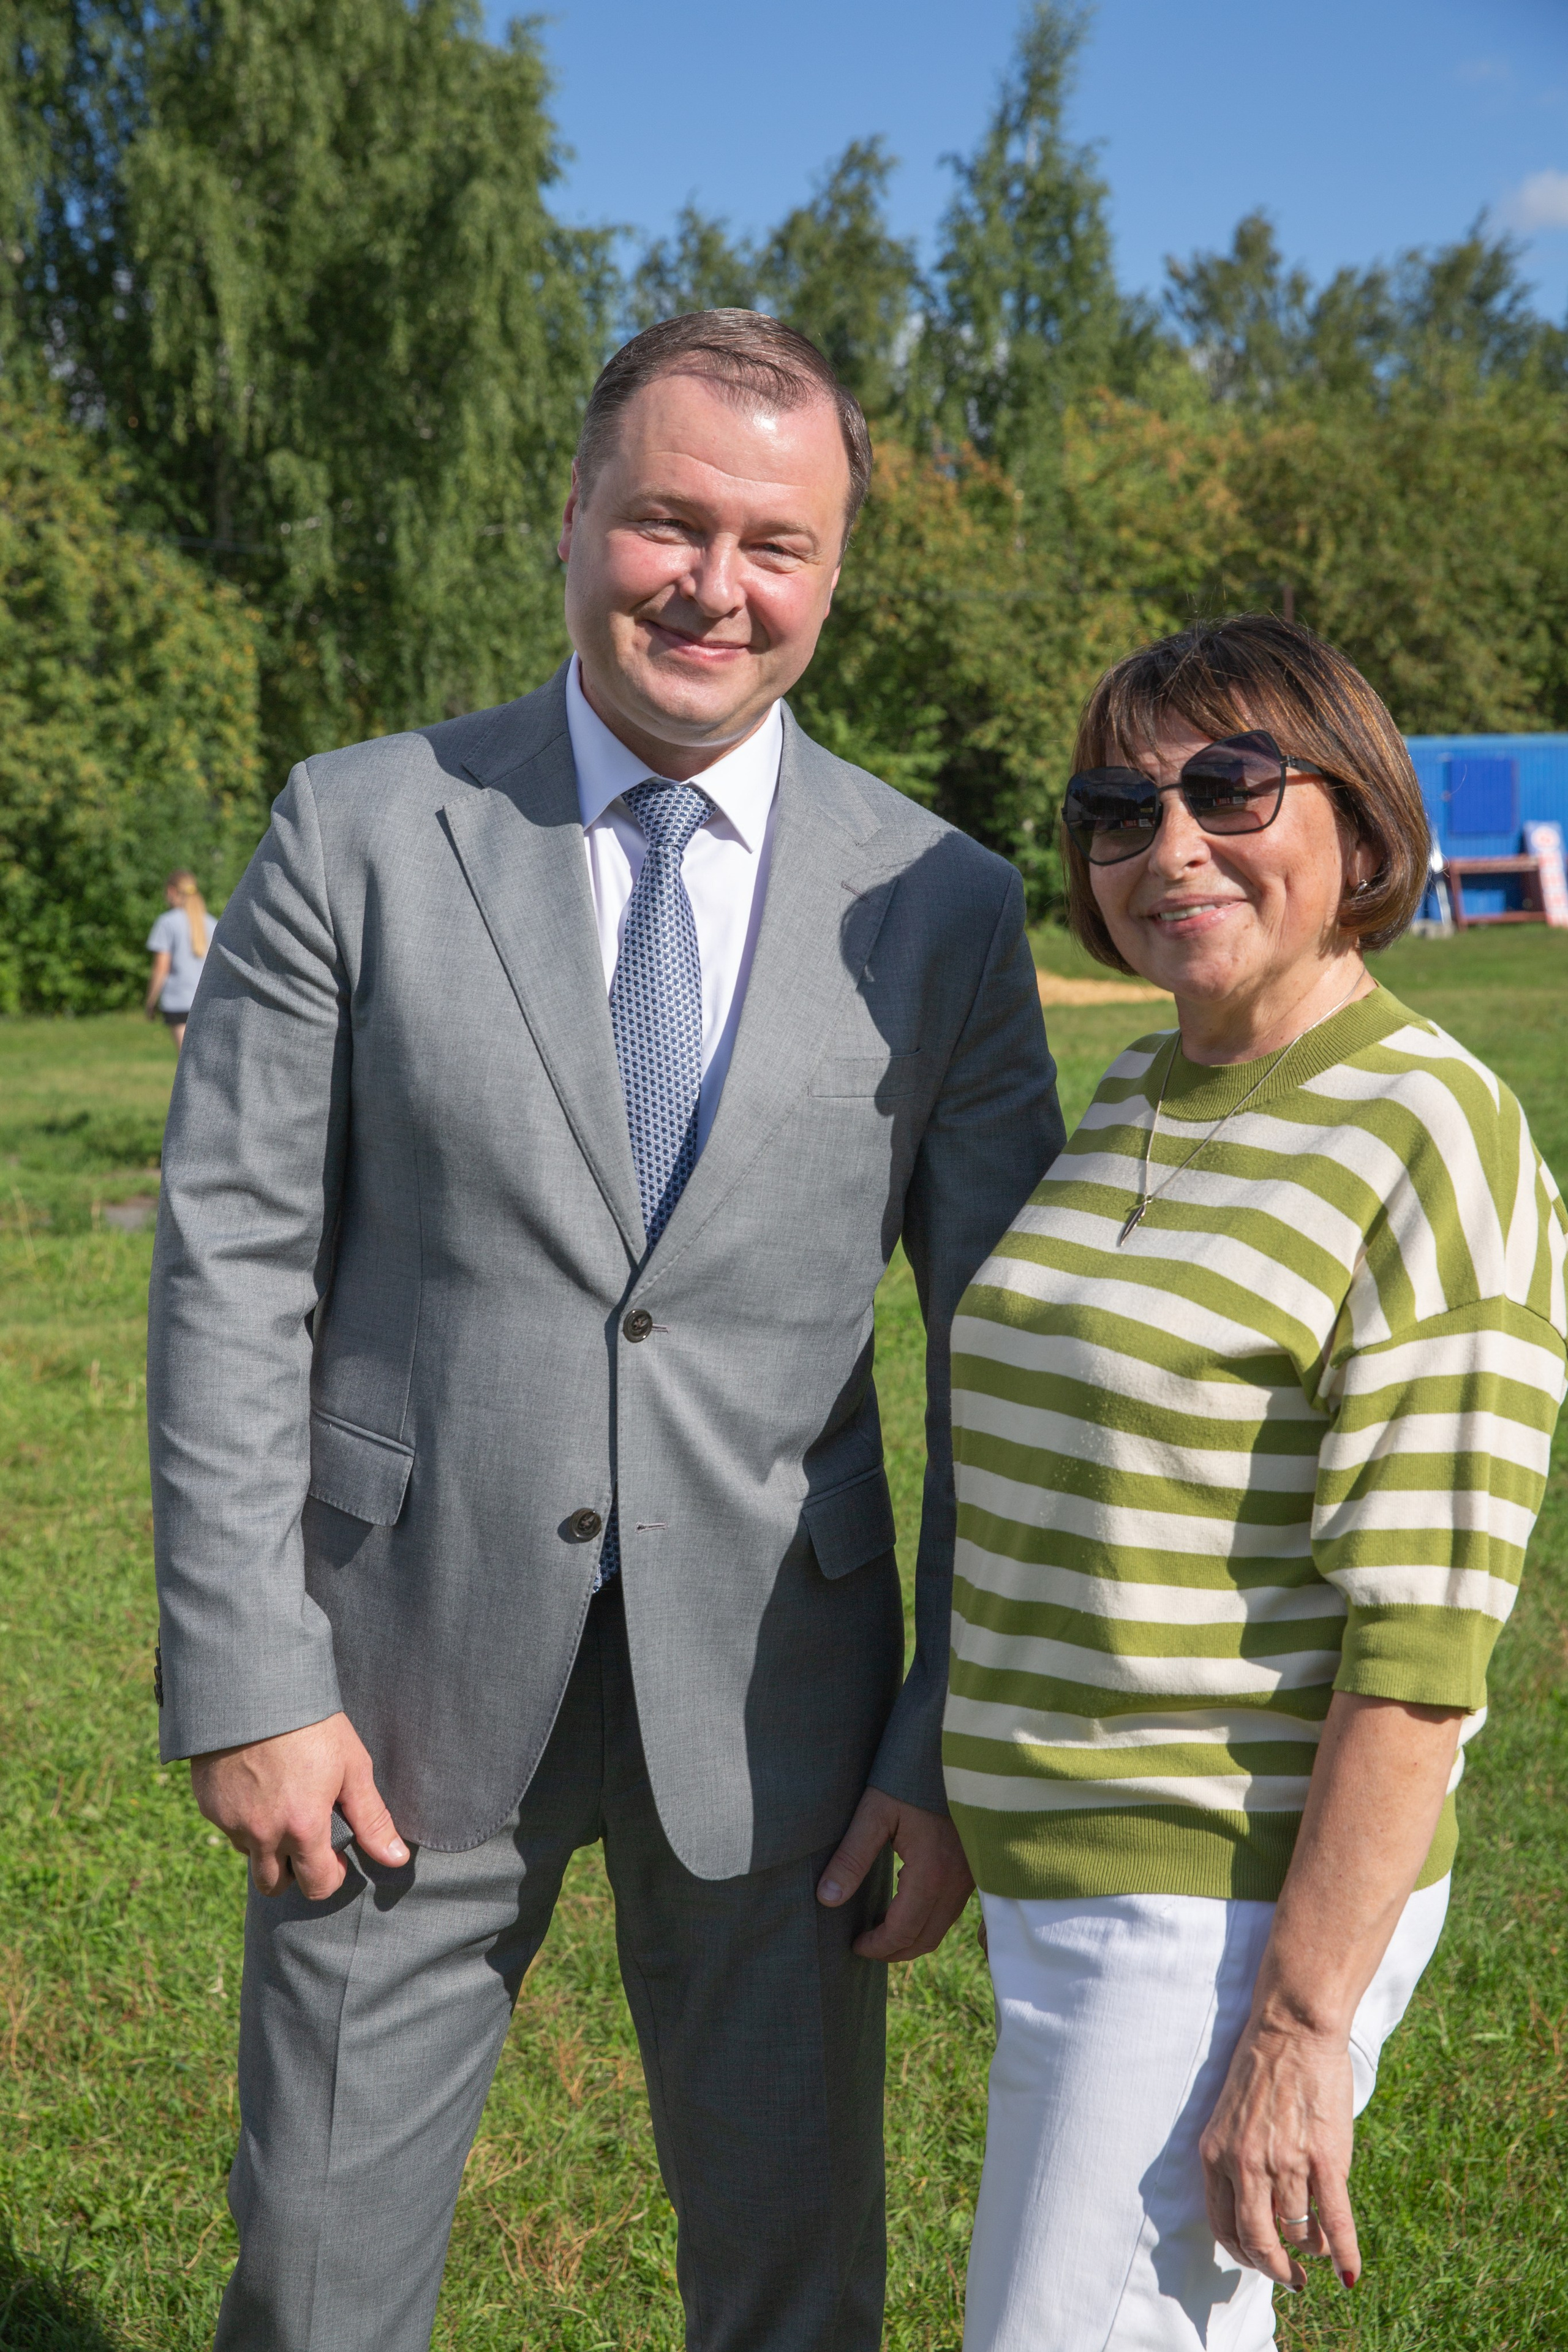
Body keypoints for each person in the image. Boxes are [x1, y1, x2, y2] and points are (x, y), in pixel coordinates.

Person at [147, 309, 1063, 2352]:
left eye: (777, 545)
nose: (713, 587)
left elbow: (1007, 1370)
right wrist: (244, 1675)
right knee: (312, 2280)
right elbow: (231, 1265)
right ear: (573, 518)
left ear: (833, 573)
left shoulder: (944, 901)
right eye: (668, 522)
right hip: (382, 1686)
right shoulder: (361, 828)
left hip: (788, 1721)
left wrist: (940, 1746)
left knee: (795, 2281)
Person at [944, 614, 1567, 2351]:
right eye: (1118, 813)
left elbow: (1426, 1645)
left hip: (1214, 1905)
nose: (1172, 847)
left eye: (1230, 788)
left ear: (1360, 823)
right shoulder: (1152, 1083)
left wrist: (1298, 2028)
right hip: (1060, 1878)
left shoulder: (1432, 1135)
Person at [145, 869, 210, 1052]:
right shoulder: (212, 923)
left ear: (172, 891)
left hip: (178, 1001)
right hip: (206, 1001)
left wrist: (150, 1001)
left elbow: (161, 967)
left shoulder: (167, 923)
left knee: (187, 1061)